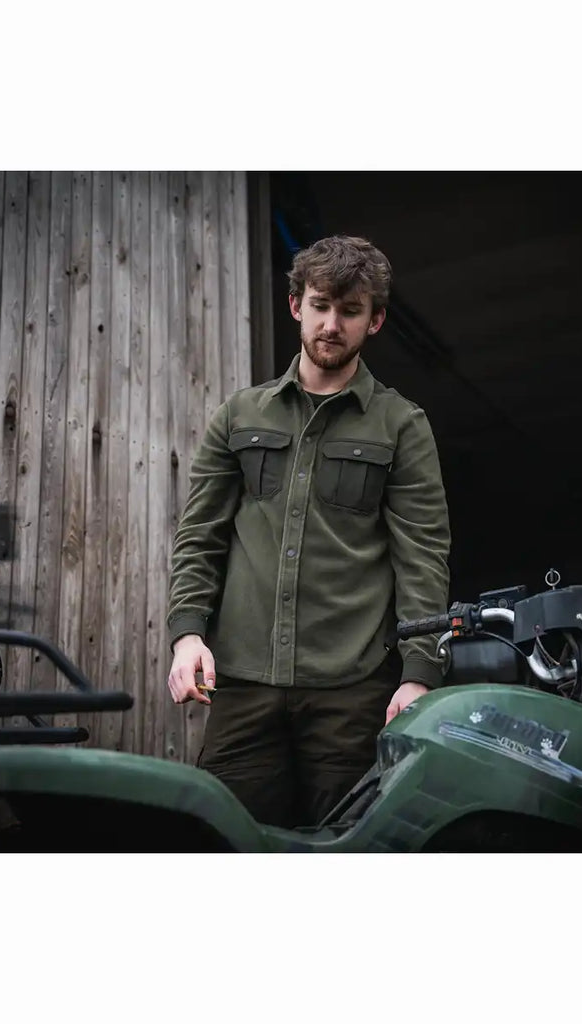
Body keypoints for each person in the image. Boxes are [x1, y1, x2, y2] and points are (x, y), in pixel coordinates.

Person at [165, 234, 450, 828]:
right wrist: (186, 635)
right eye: (320, 306)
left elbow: (422, 556)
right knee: (225, 841)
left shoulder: (402, 426)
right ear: (296, 305)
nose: (331, 325)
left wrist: (419, 674)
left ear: (375, 321)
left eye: (350, 311)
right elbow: (200, 536)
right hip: (243, 684)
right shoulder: (239, 416)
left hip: (352, 690)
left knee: (351, 846)